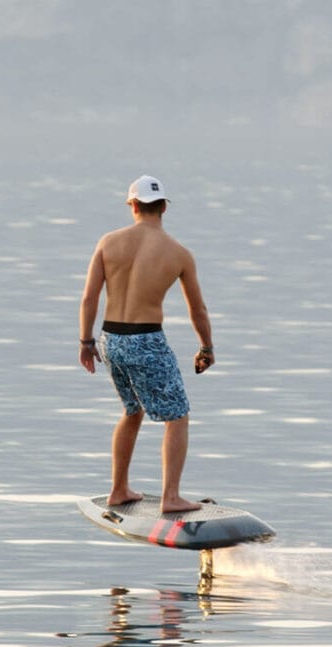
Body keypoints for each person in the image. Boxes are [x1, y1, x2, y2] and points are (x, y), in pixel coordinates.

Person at [79, 175, 215, 514]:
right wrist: (206, 347)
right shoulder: (179, 254)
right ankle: (171, 497)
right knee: (178, 416)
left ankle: (119, 489)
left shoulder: (108, 242)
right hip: (147, 340)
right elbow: (197, 308)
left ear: (133, 205)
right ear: (164, 207)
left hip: (111, 339)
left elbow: (89, 298)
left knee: (132, 410)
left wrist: (86, 341)